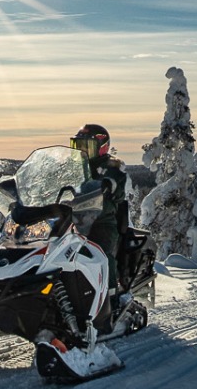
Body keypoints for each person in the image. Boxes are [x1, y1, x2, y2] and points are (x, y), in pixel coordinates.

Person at [71, 123, 128, 298]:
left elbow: (117, 185)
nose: (82, 151)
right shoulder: (73, 168)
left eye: (86, 146)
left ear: (101, 147)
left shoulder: (111, 168)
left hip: (101, 221)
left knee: (101, 253)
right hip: (74, 220)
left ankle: (111, 297)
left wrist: (109, 184)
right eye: (78, 146)